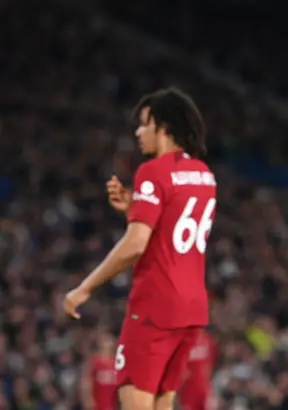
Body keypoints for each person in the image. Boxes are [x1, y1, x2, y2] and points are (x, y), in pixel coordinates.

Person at [63, 87, 217, 410]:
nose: (138, 131)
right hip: (192, 310)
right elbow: (174, 230)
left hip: (155, 307)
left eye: (145, 124)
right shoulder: (204, 175)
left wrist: (85, 288)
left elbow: (135, 245)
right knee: (163, 403)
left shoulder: (152, 172)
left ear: (164, 127)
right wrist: (136, 208)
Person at [178, 330, 219, 410]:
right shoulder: (184, 342)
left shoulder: (207, 340)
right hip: (188, 391)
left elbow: (210, 363)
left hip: (204, 388)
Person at [80, 332, 118, 410]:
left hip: (112, 403)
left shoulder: (116, 362)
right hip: (97, 403)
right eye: (106, 340)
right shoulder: (94, 361)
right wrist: (88, 399)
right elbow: (86, 381)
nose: (109, 342)